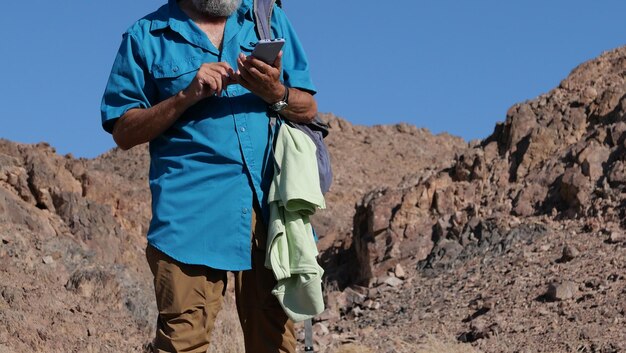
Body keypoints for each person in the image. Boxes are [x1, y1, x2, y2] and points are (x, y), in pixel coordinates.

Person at [100, 0, 317, 351]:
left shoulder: (266, 19)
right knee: (182, 343)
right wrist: (185, 97)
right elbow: (124, 131)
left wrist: (275, 93)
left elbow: (308, 108)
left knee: (276, 342)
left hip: (271, 213)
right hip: (189, 219)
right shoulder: (146, 36)